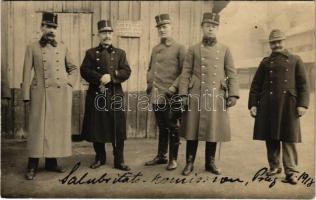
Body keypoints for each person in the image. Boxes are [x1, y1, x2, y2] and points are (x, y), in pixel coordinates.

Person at [178, 12, 239, 176]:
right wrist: (183, 94)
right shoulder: (193, 49)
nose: (210, 29)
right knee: (192, 129)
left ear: (217, 28)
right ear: (202, 27)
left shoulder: (225, 50)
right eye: (207, 26)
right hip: (196, 94)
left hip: (216, 94)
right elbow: (185, 73)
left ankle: (210, 162)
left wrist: (233, 94)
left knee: (213, 130)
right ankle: (189, 162)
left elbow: (232, 73)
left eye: (214, 26)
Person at [248, 29, 309, 185]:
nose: (277, 45)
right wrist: (253, 104)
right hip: (268, 104)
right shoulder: (265, 62)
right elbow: (256, 85)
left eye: (279, 41)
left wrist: (303, 104)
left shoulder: (296, 60)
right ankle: (274, 166)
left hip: (289, 104)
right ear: (270, 44)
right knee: (271, 136)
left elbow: (303, 85)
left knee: (289, 137)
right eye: (273, 42)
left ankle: (292, 171)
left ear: (285, 41)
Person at [22, 12, 78, 180]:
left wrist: (68, 83)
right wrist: (26, 94)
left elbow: (74, 68)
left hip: (60, 94)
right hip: (40, 93)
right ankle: (32, 165)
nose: (51, 30)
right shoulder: (32, 47)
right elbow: (26, 73)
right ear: (42, 27)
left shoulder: (63, 46)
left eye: (54, 27)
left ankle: (51, 162)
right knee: (37, 129)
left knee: (54, 128)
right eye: (48, 26)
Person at [80, 20, 131, 171]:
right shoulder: (90, 53)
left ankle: (119, 160)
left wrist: (112, 76)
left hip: (115, 95)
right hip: (97, 94)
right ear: (98, 35)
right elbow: (84, 70)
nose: (107, 35)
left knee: (118, 128)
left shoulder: (121, 53)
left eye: (109, 32)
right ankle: (100, 157)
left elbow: (127, 71)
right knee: (97, 127)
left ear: (112, 34)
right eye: (104, 33)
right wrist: (99, 78)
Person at [145, 14, 186, 170]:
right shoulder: (156, 49)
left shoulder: (180, 48)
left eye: (165, 27)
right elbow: (150, 68)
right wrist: (149, 84)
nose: (162, 30)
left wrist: (173, 89)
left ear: (171, 28)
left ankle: (173, 159)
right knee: (162, 126)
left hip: (171, 95)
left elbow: (184, 73)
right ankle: (161, 156)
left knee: (172, 126)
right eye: (159, 28)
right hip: (157, 94)